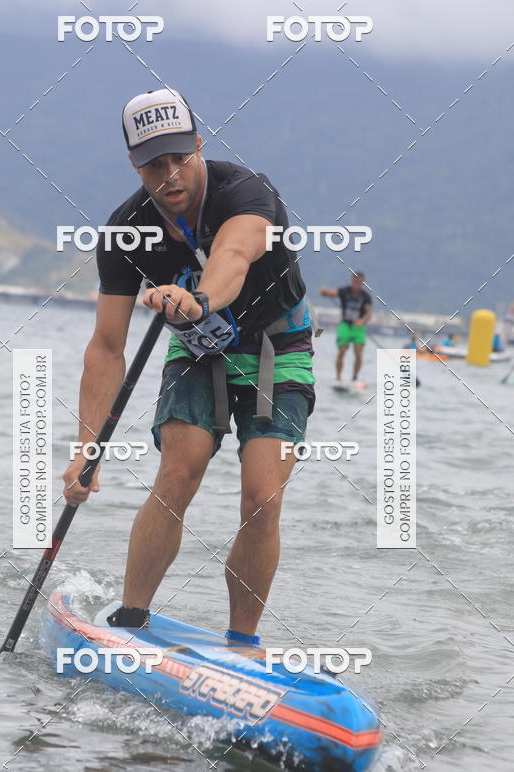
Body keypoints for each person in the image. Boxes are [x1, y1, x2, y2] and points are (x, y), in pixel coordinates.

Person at [62, 88, 315, 646]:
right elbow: (106, 347)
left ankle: (242, 645)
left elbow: (234, 256)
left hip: (277, 346)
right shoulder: (126, 231)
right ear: (134, 165)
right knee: (179, 472)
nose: (170, 175)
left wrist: (198, 301)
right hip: (198, 350)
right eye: (154, 164)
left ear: (200, 146)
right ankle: (129, 623)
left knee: (263, 498)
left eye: (180, 157)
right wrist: (87, 447)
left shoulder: (247, 190)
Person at [319, 272, 372, 381]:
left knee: (358, 353)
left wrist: (362, 321)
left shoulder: (366, 296)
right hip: (345, 325)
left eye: (359, 282)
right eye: (355, 282)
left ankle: (354, 378)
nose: (357, 284)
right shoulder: (345, 291)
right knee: (341, 350)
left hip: (358, 327)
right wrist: (324, 292)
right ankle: (338, 377)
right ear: (352, 281)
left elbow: (369, 313)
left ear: (362, 283)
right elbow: (330, 294)